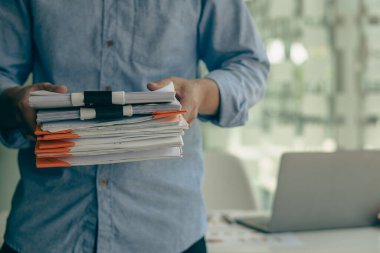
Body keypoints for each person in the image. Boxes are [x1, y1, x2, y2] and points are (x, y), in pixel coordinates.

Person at [0, 1, 269, 252]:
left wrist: (201, 93)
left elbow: (248, 65)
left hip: (167, 232)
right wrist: (14, 101)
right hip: (48, 228)